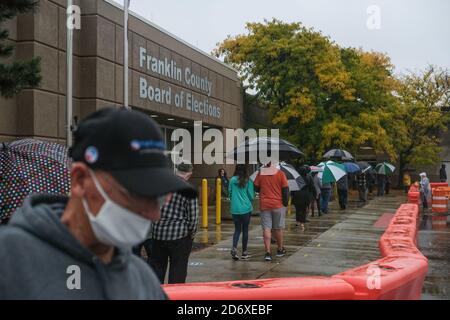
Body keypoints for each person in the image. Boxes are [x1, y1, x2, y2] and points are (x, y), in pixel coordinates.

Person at [0, 108, 197, 299]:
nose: (154, 214)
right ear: (80, 181)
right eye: (136, 193)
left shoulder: (141, 279)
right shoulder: (10, 261)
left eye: (159, 198)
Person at [149, 162, 198, 284]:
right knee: (178, 271)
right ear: (189, 174)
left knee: (157, 269)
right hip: (179, 236)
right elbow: (193, 216)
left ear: (177, 170)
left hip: (158, 234)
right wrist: (192, 233)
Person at [253, 162, 289, 262]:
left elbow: (255, 187)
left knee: (266, 228)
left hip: (265, 205)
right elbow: (285, 190)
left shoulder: (261, 173)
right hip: (278, 204)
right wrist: (285, 204)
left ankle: (268, 252)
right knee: (278, 228)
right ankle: (280, 249)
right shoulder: (281, 173)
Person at [228, 164, 255, 260]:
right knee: (245, 230)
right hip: (246, 209)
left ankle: (234, 248)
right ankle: (244, 252)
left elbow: (230, 193)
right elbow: (251, 196)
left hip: (235, 209)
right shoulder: (248, 180)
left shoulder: (232, 180)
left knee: (237, 230)